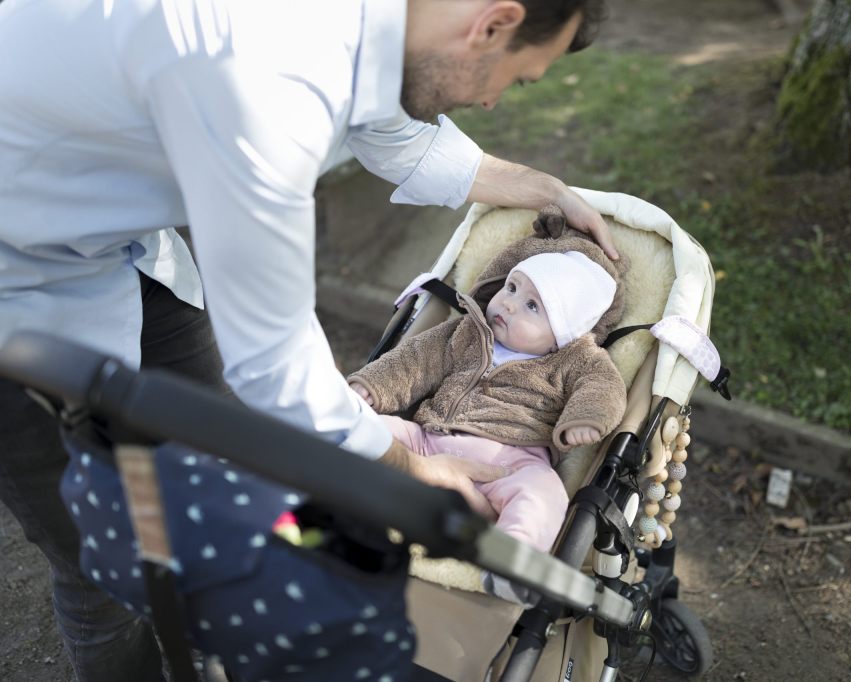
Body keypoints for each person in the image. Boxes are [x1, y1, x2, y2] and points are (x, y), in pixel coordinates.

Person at [0, 0, 613, 679]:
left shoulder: (365, 26)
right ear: (491, 24)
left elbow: (396, 134)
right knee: (99, 558)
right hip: (16, 285)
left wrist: (546, 190)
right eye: (513, 79)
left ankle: (216, 632)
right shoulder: (268, 79)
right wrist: (406, 469)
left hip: (112, 244)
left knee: (225, 478)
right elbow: (273, 361)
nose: (493, 102)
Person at [349, 240, 628, 601]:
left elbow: (604, 389)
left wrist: (586, 419)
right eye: (511, 287)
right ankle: (330, 483)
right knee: (371, 430)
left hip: (511, 461)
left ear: (563, 332)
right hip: (429, 440)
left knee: (543, 493)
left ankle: (513, 563)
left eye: (532, 306)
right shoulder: (467, 332)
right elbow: (415, 360)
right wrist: (373, 387)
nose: (509, 303)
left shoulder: (577, 360)